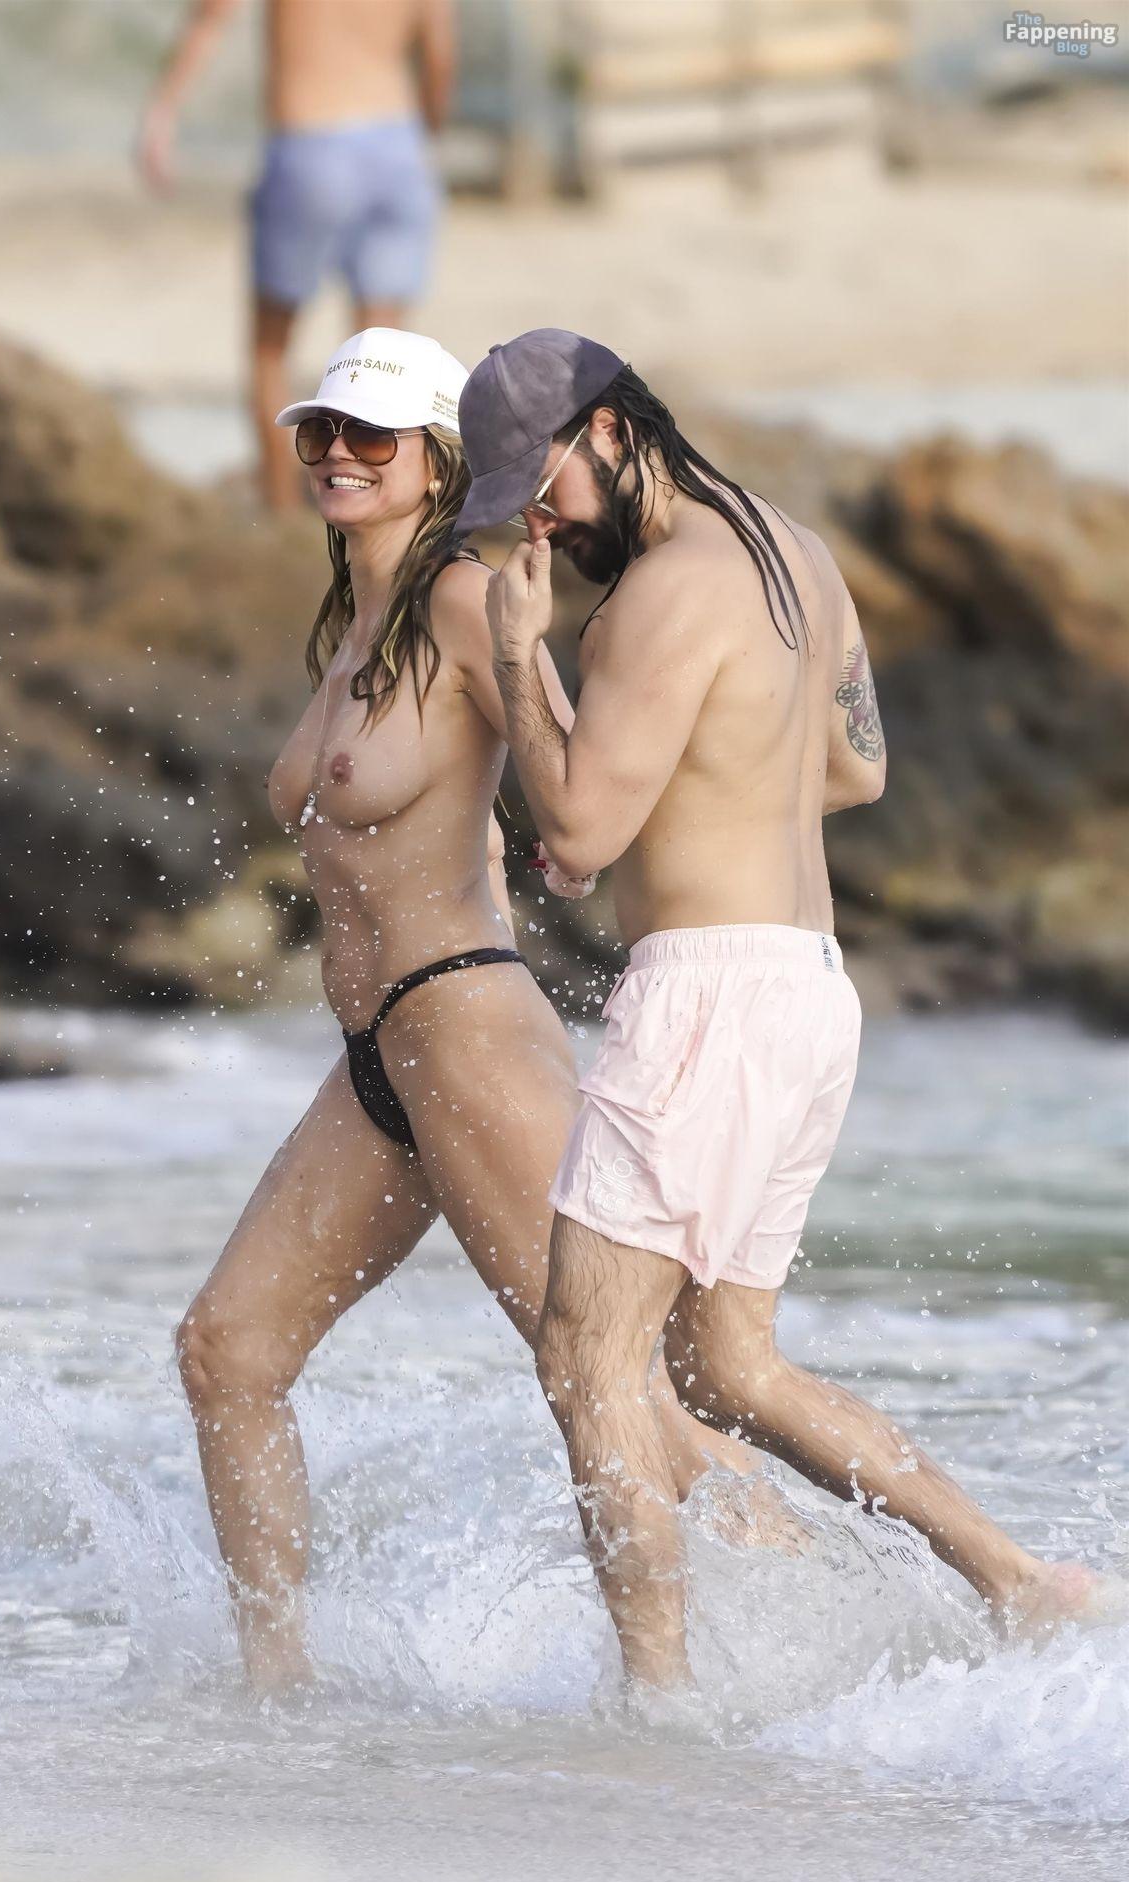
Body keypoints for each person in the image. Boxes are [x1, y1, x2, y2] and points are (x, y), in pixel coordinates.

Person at [456, 327, 1116, 1694]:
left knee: (587, 1356)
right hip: (806, 988)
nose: (538, 524)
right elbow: (857, 766)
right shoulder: (792, 550)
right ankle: (1022, 1585)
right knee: (728, 1369)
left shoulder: (655, 597)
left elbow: (575, 835)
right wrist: (703, 792)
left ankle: (655, 1704)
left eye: (544, 487)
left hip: (708, 998)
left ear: (611, 429)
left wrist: (523, 656)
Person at [174, 327, 781, 1694]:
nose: (336, 453)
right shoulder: (355, 625)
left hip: (465, 1031)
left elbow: (577, 773)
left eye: (369, 435)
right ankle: (275, 1699)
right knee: (226, 1352)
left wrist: (611, 849)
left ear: (439, 461)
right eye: (319, 430)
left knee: (610, 1389)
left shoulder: (463, 598)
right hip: (377, 1061)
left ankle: (816, 1621)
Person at [138, 0, 453, 511]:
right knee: (381, 360)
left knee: (270, 351)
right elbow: (440, 55)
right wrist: (425, 135)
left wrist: (162, 112)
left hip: (311, 138)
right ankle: (376, 516)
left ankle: (281, 517)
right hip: (398, 144)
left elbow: (212, 16)